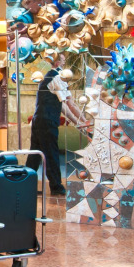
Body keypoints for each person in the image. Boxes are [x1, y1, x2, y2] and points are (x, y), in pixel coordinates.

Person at [25, 56, 88, 196]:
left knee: (35, 155)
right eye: (63, 60)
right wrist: (83, 121)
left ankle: (25, 186)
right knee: (51, 154)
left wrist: (77, 122)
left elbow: (62, 105)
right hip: (47, 122)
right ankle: (56, 187)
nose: (65, 62)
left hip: (38, 121)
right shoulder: (58, 78)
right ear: (58, 62)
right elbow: (71, 104)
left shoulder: (46, 77)